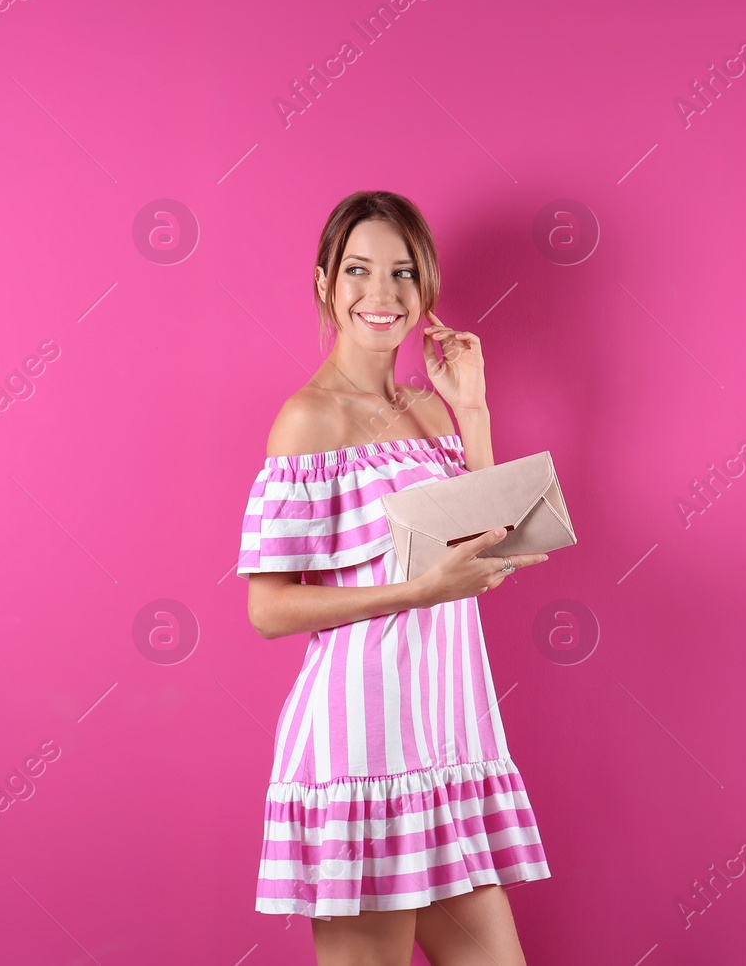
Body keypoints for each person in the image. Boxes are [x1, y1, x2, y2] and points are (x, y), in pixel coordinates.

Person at [237, 190, 552, 965]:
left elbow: (492, 553)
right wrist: (413, 591)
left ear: (427, 288)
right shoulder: (309, 419)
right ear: (324, 284)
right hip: (359, 752)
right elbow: (269, 608)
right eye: (359, 271)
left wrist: (472, 408)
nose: (383, 295)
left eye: (404, 272)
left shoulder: (430, 410)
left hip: (447, 741)